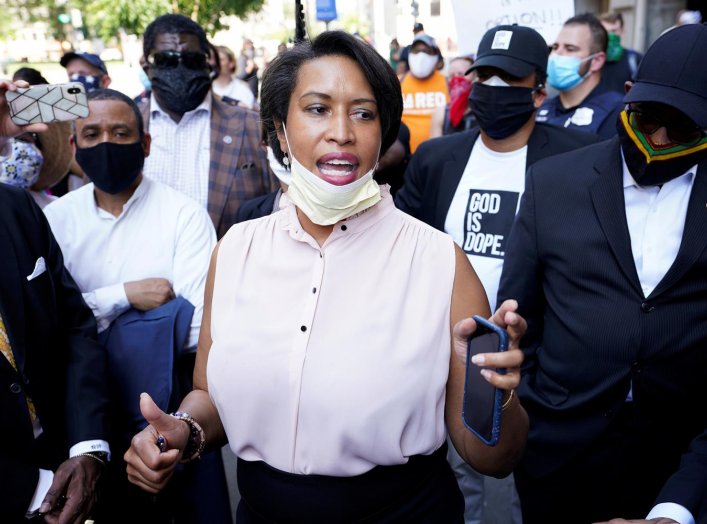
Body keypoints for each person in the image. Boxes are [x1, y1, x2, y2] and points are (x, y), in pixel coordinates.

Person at [124, 30, 529, 523]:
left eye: (364, 113)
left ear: (385, 132)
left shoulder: (440, 261)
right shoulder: (235, 250)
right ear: (280, 127)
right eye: (317, 109)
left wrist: (499, 394)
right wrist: (183, 429)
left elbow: (493, 457)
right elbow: (210, 396)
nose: (342, 131)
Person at [498, 23, 707, 523]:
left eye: (680, 129)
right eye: (649, 117)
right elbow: (517, 316)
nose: (656, 139)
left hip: (678, 467)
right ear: (629, 96)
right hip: (558, 458)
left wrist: (678, 509)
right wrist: (531, 415)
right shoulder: (554, 182)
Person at [396, 24, 597, 524]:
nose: (493, 90)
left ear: (538, 90)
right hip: (442, 358)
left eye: (509, 80)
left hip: (533, 366)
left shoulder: (577, 158)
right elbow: (401, 248)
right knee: (454, 490)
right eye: (484, 75)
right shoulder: (438, 157)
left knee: (518, 494)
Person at [43, 88, 229, 523]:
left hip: (166, 397)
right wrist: (124, 297)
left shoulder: (183, 215)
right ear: (75, 146)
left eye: (121, 131)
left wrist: (88, 317)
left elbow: (197, 323)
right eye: (92, 133)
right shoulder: (55, 220)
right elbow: (48, 321)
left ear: (144, 144)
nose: (106, 142)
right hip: (79, 407)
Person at [0, 79, 110, 523]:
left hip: (67, 474)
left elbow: (73, 326)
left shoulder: (16, 208)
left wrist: (87, 449)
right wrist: (32, 488)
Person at [138, 14, 275, 238]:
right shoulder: (125, 131)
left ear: (207, 63)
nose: (179, 67)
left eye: (191, 59)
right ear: (146, 65)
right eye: (166, 60)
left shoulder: (251, 127)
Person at [536, 13, 624, 139]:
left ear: (596, 61)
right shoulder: (541, 108)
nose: (557, 55)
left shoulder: (617, 114)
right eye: (555, 47)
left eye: (570, 49)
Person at [401, 33, 449, 152]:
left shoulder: (448, 82)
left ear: (436, 56)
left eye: (427, 51)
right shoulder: (397, 82)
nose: (421, 55)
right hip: (404, 158)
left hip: (439, 155)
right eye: (416, 51)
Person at [429, 55, 476, 138]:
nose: (456, 78)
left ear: (474, 77)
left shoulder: (482, 111)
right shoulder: (441, 113)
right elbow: (435, 148)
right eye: (451, 75)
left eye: (461, 74)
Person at [598, 12, 643, 94]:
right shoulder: (592, 61)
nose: (610, 35)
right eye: (605, 31)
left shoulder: (635, 60)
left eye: (614, 31)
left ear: (622, 31)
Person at [212, 45, 257, 109]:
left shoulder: (243, 90)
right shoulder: (206, 88)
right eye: (213, 60)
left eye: (220, 60)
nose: (215, 63)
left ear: (231, 63)